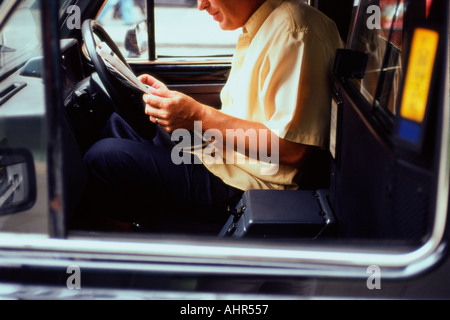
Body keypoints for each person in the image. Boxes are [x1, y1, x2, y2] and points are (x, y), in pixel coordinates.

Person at [81, 0, 343, 231]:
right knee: (121, 124)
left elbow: (292, 150)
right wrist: (178, 108)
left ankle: (122, 269)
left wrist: (198, 117)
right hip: (225, 155)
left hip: (250, 187)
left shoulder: (294, 33)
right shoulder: (264, 27)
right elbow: (248, 119)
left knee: (103, 158)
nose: (201, 4)